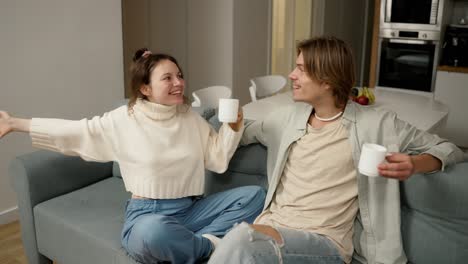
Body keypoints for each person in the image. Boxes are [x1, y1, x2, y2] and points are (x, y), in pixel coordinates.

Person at [208, 36, 465, 264]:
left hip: (324, 244)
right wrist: (224, 122)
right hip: (269, 230)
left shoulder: (378, 124)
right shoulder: (285, 119)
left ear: (327, 80)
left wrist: (415, 164)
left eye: (300, 69)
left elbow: (449, 148)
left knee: (240, 239)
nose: (291, 75)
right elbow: (243, 132)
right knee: (240, 238)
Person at [0, 48, 266, 264]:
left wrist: (232, 127)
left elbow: (217, 160)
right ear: (145, 88)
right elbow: (73, 131)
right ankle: (208, 246)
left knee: (255, 196)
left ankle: (187, 245)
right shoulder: (124, 120)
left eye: (179, 75)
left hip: (191, 208)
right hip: (147, 215)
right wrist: (15, 123)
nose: (178, 83)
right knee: (151, 234)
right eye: (167, 78)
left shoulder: (190, 118)